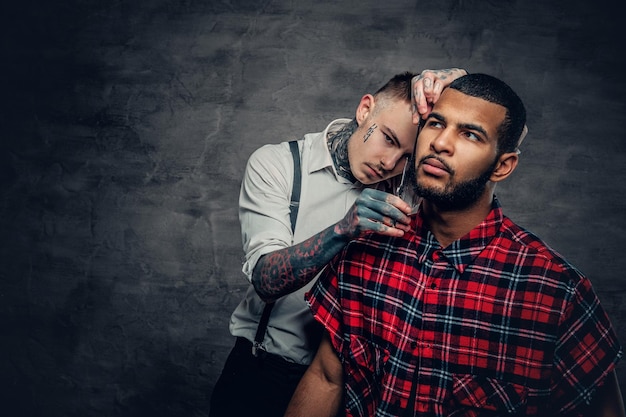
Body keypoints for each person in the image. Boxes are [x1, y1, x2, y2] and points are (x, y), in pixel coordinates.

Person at [285, 73, 624, 417]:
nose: (440, 143)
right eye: (435, 124)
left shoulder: (555, 289)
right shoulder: (366, 247)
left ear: (502, 166)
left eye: (470, 134)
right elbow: (327, 378)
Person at [209, 68, 468, 417]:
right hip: (264, 374)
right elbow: (266, 280)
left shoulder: (406, 185)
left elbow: (493, 144)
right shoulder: (280, 165)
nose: (390, 163)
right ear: (365, 110)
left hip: (353, 386)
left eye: (408, 155)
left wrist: (461, 86)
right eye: (388, 139)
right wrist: (345, 228)